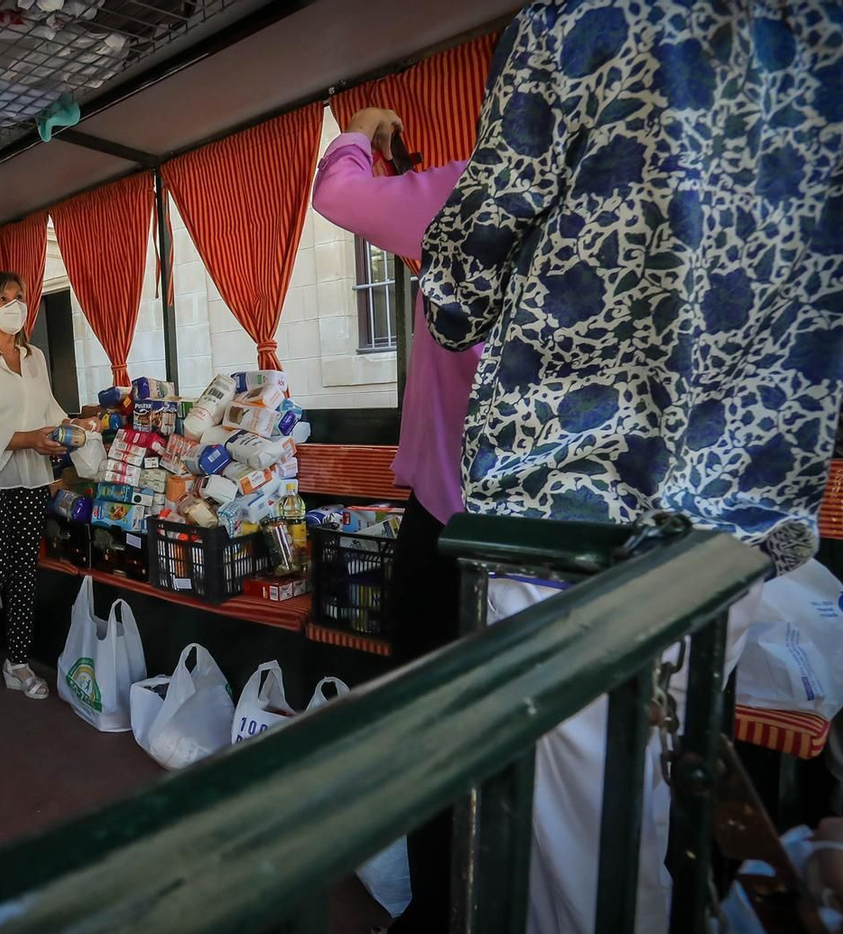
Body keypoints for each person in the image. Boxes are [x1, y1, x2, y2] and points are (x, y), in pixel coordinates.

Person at [420, 4, 843, 932]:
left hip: (571, 489)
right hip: (737, 501)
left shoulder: (581, 16)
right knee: (656, 799)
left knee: (573, 852)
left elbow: (464, 277)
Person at [311, 105, 477, 930]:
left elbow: (340, 194)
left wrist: (363, 134)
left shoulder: (476, 192)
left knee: (430, 723)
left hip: (450, 521)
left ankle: (439, 908)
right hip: (566, 534)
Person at [0, 272, 98, 705]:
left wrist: (73, 427)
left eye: (19, 297)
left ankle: (17, 662)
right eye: (4, 299)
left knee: (24, 571)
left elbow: (47, 408)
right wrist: (29, 439)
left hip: (30, 476)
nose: (15, 305)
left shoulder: (34, 357)